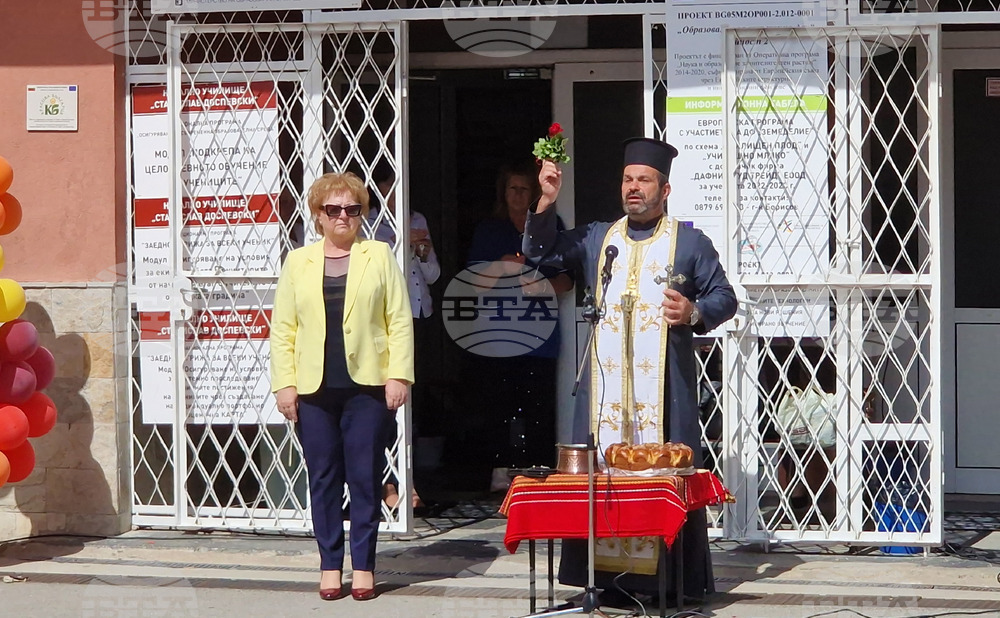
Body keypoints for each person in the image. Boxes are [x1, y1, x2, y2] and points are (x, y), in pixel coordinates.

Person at [523, 138, 738, 603]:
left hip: (664, 393)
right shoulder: (600, 238)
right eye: (627, 179)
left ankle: (667, 585)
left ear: (665, 190)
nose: (633, 188)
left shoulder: (689, 242)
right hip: (604, 394)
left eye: (644, 180)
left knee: (662, 475)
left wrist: (695, 312)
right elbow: (542, 254)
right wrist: (545, 201)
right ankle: (601, 583)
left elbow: (725, 297)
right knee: (601, 475)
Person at [270, 171, 414, 602]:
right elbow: (283, 330)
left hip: (366, 387)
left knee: (366, 477)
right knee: (324, 478)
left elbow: (399, 319)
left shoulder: (380, 255)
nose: (343, 217)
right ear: (317, 215)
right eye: (333, 210)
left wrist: (398, 374)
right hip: (313, 390)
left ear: (362, 214)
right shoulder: (298, 262)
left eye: (352, 209)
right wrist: (284, 385)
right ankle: (330, 565)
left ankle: (365, 566)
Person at [465, 162, 573, 492]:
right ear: (504, 192)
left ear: (535, 193)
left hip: (539, 334)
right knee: (499, 402)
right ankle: (501, 473)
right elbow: (472, 283)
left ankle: (537, 474)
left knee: (539, 403)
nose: (517, 194)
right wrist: (502, 267)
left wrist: (540, 284)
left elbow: (567, 281)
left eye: (524, 189)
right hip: (497, 332)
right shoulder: (490, 229)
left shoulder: (551, 226)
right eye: (512, 188)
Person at [366, 173, 441, 512]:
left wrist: (422, 250)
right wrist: (401, 240)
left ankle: (407, 479)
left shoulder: (418, 219)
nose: (392, 194)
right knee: (384, 403)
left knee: (412, 400)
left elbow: (433, 275)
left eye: (397, 187)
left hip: (415, 315)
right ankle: (388, 484)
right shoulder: (366, 221)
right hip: (382, 320)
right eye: (386, 188)